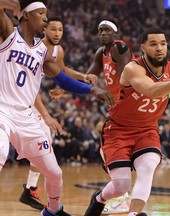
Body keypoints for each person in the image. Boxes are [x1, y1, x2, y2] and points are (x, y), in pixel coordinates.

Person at [0, 1, 113, 216]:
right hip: (2, 109)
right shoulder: (8, 34)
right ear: (25, 16)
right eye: (41, 13)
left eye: (46, 14)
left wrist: (92, 90)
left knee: (54, 173)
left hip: (26, 115)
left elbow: (61, 79)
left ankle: (52, 211)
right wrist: (8, 4)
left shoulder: (42, 51)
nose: (45, 18)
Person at [84, 27, 170, 216]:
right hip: (119, 129)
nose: (159, 48)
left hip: (147, 130)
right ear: (143, 47)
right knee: (120, 186)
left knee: (148, 167)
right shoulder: (133, 68)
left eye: (163, 43)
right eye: (153, 44)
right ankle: (99, 198)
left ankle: (133, 214)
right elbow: (151, 90)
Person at [50, 19, 133, 215]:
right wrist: (65, 90)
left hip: (127, 103)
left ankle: (122, 197)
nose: (103, 33)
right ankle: (123, 195)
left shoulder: (119, 47)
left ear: (115, 33)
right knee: (108, 150)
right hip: (117, 107)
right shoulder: (100, 53)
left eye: (107, 30)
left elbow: (127, 76)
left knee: (108, 148)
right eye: (100, 30)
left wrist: (125, 98)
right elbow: (87, 80)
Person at [19, 16, 98, 211]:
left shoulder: (57, 50)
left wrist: (82, 77)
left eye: (60, 30)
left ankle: (30, 188)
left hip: (27, 100)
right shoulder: (33, 46)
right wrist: (45, 114)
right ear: (44, 30)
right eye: (53, 29)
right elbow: (31, 87)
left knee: (44, 139)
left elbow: (61, 71)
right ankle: (29, 189)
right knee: (40, 138)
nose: (57, 33)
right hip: (17, 97)